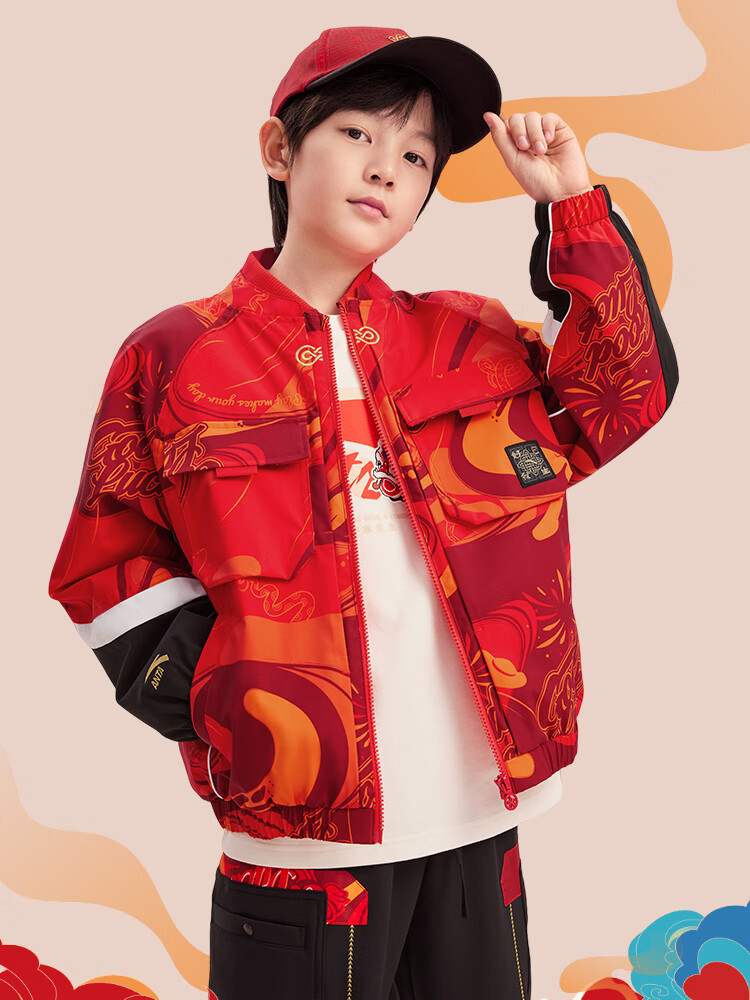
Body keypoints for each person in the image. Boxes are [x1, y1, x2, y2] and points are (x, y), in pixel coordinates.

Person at [47, 24, 679, 1000]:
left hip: (479, 824)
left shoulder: (470, 337)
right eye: (357, 134)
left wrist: (571, 206)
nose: (387, 167)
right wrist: (233, 712)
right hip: (298, 850)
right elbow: (105, 564)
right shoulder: (175, 355)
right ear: (279, 149)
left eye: (418, 156)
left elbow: (622, 394)